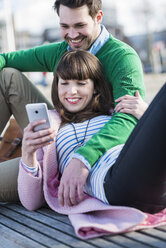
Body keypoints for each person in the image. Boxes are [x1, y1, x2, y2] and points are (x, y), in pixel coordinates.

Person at [0, 0, 146, 202]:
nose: (72, 35)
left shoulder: (122, 58)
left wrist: (83, 158)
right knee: (7, 77)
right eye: (64, 26)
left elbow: (128, 119)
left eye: (80, 25)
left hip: (89, 152)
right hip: (56, 137)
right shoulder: (62, 50)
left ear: (98, 18)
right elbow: (5, 59)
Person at [18, 50, 164, 215]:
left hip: (153, 181)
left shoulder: (116, 115)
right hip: (113, 183)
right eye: (64, 83)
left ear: (95, 88)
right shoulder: (51, 124)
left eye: (81, 83)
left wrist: (145, 114)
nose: (71, 91)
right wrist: (27, 153)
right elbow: (30, 202)